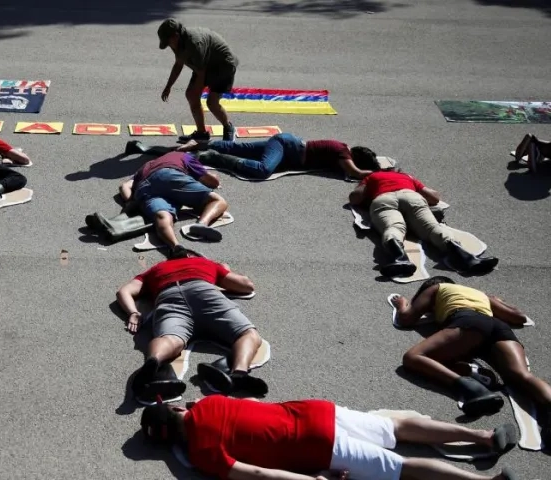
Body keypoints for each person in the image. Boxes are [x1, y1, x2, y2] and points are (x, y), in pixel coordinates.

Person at [139, 394, 518, 480]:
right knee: (399, 429)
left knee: (401, 467)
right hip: (316, 412)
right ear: (174, 409)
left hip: (318, 447)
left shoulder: (204, 453)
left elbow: (258, 475)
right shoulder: (208, 402)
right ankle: (483, 436)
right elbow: (252, 402)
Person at [392, 276, 551, 434]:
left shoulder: (435, 288)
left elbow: (407, 318)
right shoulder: (480, 294)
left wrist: (402, 304)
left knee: (414, 357)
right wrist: (498, 301)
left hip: (468, 322)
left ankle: (473, 389)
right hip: (497, 327)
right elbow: (518, 317)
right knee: (522, 376)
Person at [116, 248, 267, 403]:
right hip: (203, 291)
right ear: (190, 255)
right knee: (247, 334)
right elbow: (246, 285)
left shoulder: (155, 270)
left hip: (168, 297)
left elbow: (124, 291)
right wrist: (223, 269)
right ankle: (239, 373)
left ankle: (154, 360)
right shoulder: (203, 262)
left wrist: (133, 313)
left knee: (171, 339)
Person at [348, 161, 498, 278]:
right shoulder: (407, 177)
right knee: (432, 227)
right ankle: (466, 258)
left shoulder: (372, 177)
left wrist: (366, 195)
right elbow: (434, 197)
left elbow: (355, 198)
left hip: (383, 199)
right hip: (411, 196)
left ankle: (400, 258)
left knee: (394, 227)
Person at [118, 151, 227, 256]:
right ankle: (201, 224)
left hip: (144, 188)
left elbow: (124, 186)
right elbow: (213, 181)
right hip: (169, 176)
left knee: (162, 215)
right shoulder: (184, 156)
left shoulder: (146, 166)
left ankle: (176, 247)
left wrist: (130, 202)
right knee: (217, 201)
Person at [157, 18, 239, 143]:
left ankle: (228, 127)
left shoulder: (195, 44)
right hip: (204, 64)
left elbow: (201, 73)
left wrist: (197, 92)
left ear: (175, 36)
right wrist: (168, 86)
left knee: (211, 103)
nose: (169, 46)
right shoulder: (177, 43)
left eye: (168, 42)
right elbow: (178, 64)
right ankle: (201, 134)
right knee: (191, 95)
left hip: (223, 66)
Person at [178, 133, 378, 180]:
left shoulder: (341, 150)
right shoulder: (342, 151)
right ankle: (214, 155)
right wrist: (378, 173)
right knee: (262, 170)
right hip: (286, 146)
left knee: (240, 148)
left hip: (286, 145)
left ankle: (203, 144)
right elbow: (355, 172)